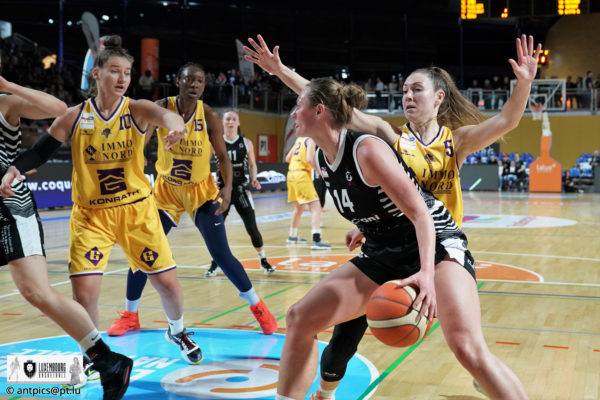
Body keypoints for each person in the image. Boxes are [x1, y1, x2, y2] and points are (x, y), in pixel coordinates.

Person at [245, 33, 537, 399]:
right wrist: (279, 70)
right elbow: (331, 104)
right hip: (389, 242)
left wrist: (524, 83)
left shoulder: (456, 141)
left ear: (439, 97)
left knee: (466, 348)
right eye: (404, 91)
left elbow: (508, 119)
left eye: (417, 90)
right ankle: (322, 392)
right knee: (324, 329)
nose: (408, 96)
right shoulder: (391, 136)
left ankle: (485, 369)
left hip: (437, 242)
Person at [2, 36, 203, 372]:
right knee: (84, 294)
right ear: (96, 74)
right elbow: (39, 152)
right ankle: (93, 354)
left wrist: (176, 128)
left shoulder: (136, 109)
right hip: (90, 215)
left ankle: (177, 331)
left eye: (127, 72)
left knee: (166, 282)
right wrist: (14, 169)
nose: (122, 78)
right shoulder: (74, 116)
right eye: (114, 71)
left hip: (136, 210)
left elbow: (166, 116)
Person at [106, 62, 277, 337]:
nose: (194, 85)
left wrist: (227, 188)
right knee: (143, 252)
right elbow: (141, 140)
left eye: (199, 81)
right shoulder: (161, 107)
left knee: (221, 254)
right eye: (189, 80)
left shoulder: (208, 115)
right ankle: (130, 315)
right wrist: (135, 162)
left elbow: (222, 157)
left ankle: (258, 307)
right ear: (178, 81)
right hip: (166, 191)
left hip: (200, 192)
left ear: (204, 86)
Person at [0, 67, 132, 398]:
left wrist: (8, 85)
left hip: (10, 207)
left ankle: (107, 360)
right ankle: (106, 362)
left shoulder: (5, 103)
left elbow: (59, 108)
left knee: (36, 292)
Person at [205, 110, 275, 276]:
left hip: (241, 190)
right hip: (222, 192)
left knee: (252, 228)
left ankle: (263, 260)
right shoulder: (214, 142)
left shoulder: (246, 142)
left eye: (233, 119)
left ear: (238, 123)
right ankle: (215, 262)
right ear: (222, 122)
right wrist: (210, 179)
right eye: (227, 119)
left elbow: (252, 164)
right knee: (216, 230)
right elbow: (204, 164)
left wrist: (254, 178)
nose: (230, 122)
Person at [285, 135, 330, 249]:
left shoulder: (299, 140)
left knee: (298, 208)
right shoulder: (311, 139)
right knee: (316, 208)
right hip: (301, 175)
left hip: (291, 174)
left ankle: (292, 236)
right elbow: (309, 159)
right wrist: (319, 171)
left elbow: (287, 158)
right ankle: (316, 240)